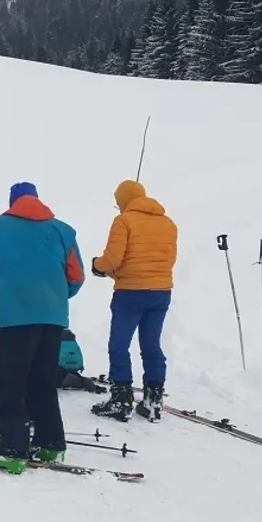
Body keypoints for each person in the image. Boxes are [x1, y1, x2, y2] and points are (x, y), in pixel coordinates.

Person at [0, 182, 85, 474]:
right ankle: (51, 445)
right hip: (54, 317)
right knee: (43, 380)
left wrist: (14, 290)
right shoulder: (63, 230)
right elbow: (76, 276)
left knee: (10, 382)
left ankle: (12, 450)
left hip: (17, 315)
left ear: (12, 202)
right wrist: (54, 297)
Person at [89, 180, 177, 422]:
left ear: (124, 200)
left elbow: (113, 259)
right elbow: (168, 259)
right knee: (151, 345)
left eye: (118, 203)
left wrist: (98, 265)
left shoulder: (124, 221)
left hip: (131, 292)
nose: (118, 208)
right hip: (161, 292)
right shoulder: (168, 223)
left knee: (119, 345)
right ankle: (153, 400)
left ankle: (121, 399)